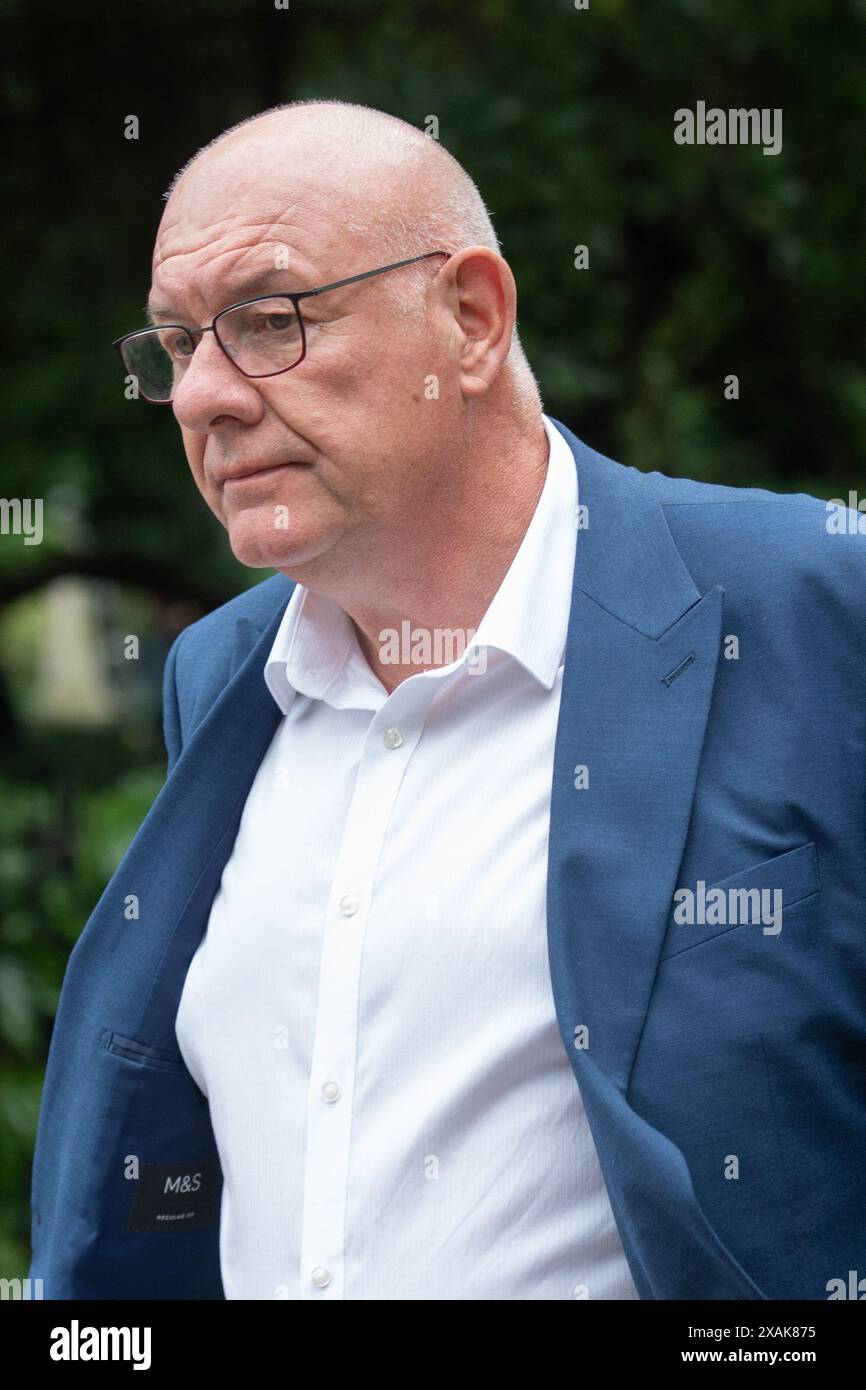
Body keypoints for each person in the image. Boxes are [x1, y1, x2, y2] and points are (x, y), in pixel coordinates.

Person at [29, 99, 866, 1301]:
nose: (205, 394)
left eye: (269, 321)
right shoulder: (224, 677)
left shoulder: (812, 607)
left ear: (470, 318)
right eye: (175, 344)